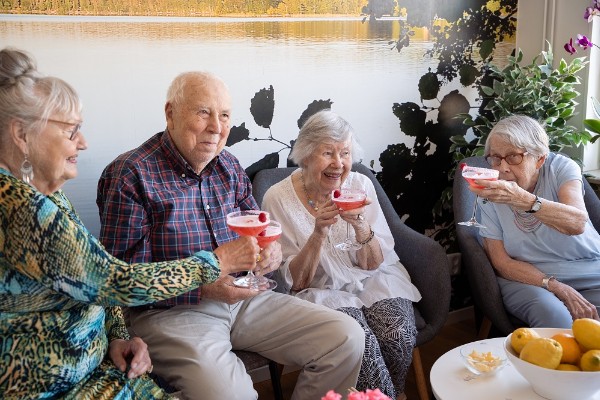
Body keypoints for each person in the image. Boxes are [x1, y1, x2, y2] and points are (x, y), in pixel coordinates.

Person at [0, 47, 258, 399]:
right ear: (22, 134)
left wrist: (118, 334)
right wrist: (217, 263)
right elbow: (115, 279)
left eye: (225, 114)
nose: (83, 142)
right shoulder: (18, 208)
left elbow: (94, 285)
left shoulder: (46, 195)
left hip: (103, 367)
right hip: (54, 386)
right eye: (71, 130)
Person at [96, 71, 365, 400]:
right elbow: (121, 282)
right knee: (231, 395)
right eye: (203, 112)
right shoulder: (131, 173)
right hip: (170, 313)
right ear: (170, 113)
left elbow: (262, 232)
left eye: (224, 115)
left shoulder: (229, 166)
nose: (216, 127)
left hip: (243, 298)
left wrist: (270, 253)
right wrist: (203, 286)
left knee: (346, 337)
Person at [261, 110, 422, 400]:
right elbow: (296, 283)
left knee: (397, 334)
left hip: (374, 278)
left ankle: (393, 394)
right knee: (365, 349)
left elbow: (374, 262)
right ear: (307, 155)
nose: (338, 164)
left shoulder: (360, 185)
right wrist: (318, 233)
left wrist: (361, 225)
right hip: (318, 291)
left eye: (345, 153)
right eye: (328, 153)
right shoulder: (277, 197)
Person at [470, 114, 600, 328]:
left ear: (540, 159)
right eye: (495, 157)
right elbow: (502, 262)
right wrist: (555, 286)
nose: (502, 168)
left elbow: (576, 223)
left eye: (513, 156)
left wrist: (524, 200)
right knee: (553, 316)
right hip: (529, 278)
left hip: (590, 268)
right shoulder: (492, 191)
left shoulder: (560, 168)